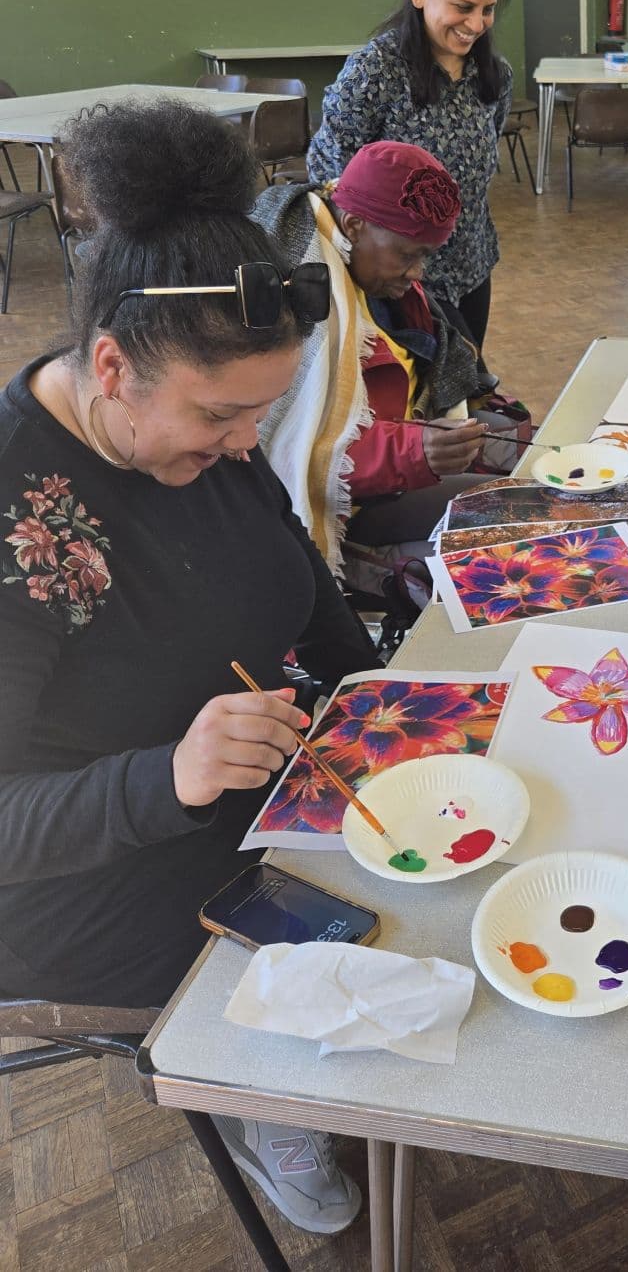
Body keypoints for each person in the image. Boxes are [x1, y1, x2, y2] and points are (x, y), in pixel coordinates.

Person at [0, 99, 376, 1234]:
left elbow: (294, 570)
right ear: (111, 365)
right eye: (221, 415)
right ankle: (269, 1099)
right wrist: (171, 773)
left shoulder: (201, 430)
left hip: (238, 778)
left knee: (407, 852)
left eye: (263, 411)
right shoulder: (21, 512)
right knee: (360, 908)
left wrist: (373, 699)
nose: (244, 445)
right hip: (78, 880)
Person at [251, 140, 529, 594]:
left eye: (425, 256)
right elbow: (295, 450)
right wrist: (415, 451)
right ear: (355, 224)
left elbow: (434, 367)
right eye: (407, 255)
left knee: (527, 469)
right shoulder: (295, 296)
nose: (418, 273)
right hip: (344, 506)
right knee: (510, 533)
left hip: (396, 460)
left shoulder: (365, 272)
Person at [307, 0, 513, 350]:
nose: (476, 24)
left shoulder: (494, 76)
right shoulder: (375, 70)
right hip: (398, 284)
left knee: (463, 395)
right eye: (463, 6)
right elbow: (330, 176)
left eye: (487, 9)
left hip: (471, 268)